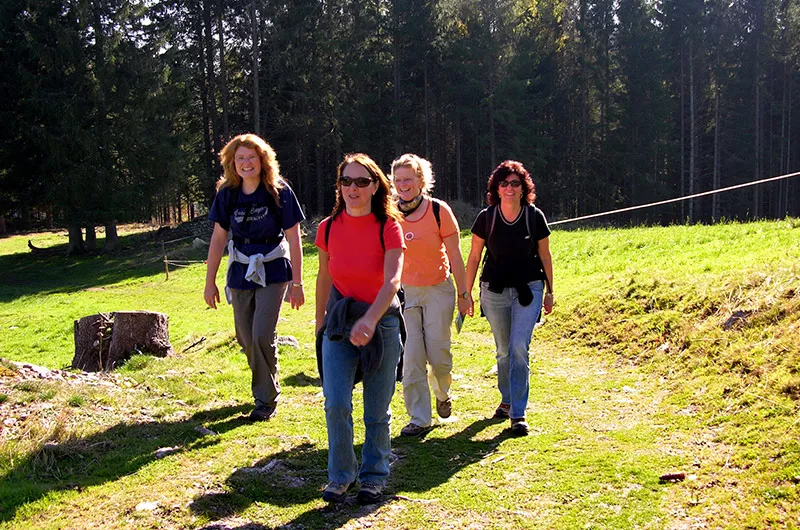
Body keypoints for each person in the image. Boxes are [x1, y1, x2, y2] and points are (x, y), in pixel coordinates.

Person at [315, 153, 405, 505]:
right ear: (339, 186)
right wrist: (320, 323)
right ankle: (341, 475)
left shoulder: (389, 226)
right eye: (346, 181)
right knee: (336, 403)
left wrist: (370, 320)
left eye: (361, 181)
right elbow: (324, 275)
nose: (353, 188)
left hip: (381, 322)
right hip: (339, 323)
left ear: (375, 186)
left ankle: (374, 476)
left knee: (376, 410)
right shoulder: (327, 227)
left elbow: (394, 279)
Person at [204, 133, 305, 422]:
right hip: (240, 269)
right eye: (240, 158)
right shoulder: (227, 193)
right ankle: (268, 383)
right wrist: (209, 281)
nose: (246, 163)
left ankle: (265, 399)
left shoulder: (278, 190)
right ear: (231, 163)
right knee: (245, 336)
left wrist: (297, 283)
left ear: (262, 160)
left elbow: (294, 238)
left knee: (261, 334)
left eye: (251, 157)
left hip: (273, 269)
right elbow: (218, 238)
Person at [464, 160, 554, 436]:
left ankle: (518, 413)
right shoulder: (486, 217)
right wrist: (465, 293)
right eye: (504, 183)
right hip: (494, 290)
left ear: (524, 187)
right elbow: (474, 256)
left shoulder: (534, 216)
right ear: (496, 188)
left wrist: (551, 291)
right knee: (503, 350)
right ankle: (506, 400)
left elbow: (545, 255)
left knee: (518, 346)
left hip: (529, 288)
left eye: (515, 183)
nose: (510, 188)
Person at [390, 153, 472, 437]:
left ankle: (442, 393)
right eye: (398, 180)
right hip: (406, 294)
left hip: (439, 289)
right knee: (411, 358)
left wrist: (464, 293)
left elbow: (456, 257)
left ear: (421, 180)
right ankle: (419, 418)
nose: (403, 185)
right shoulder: (389, 213)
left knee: (439, 355)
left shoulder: (439, 211)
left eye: (408, 180)